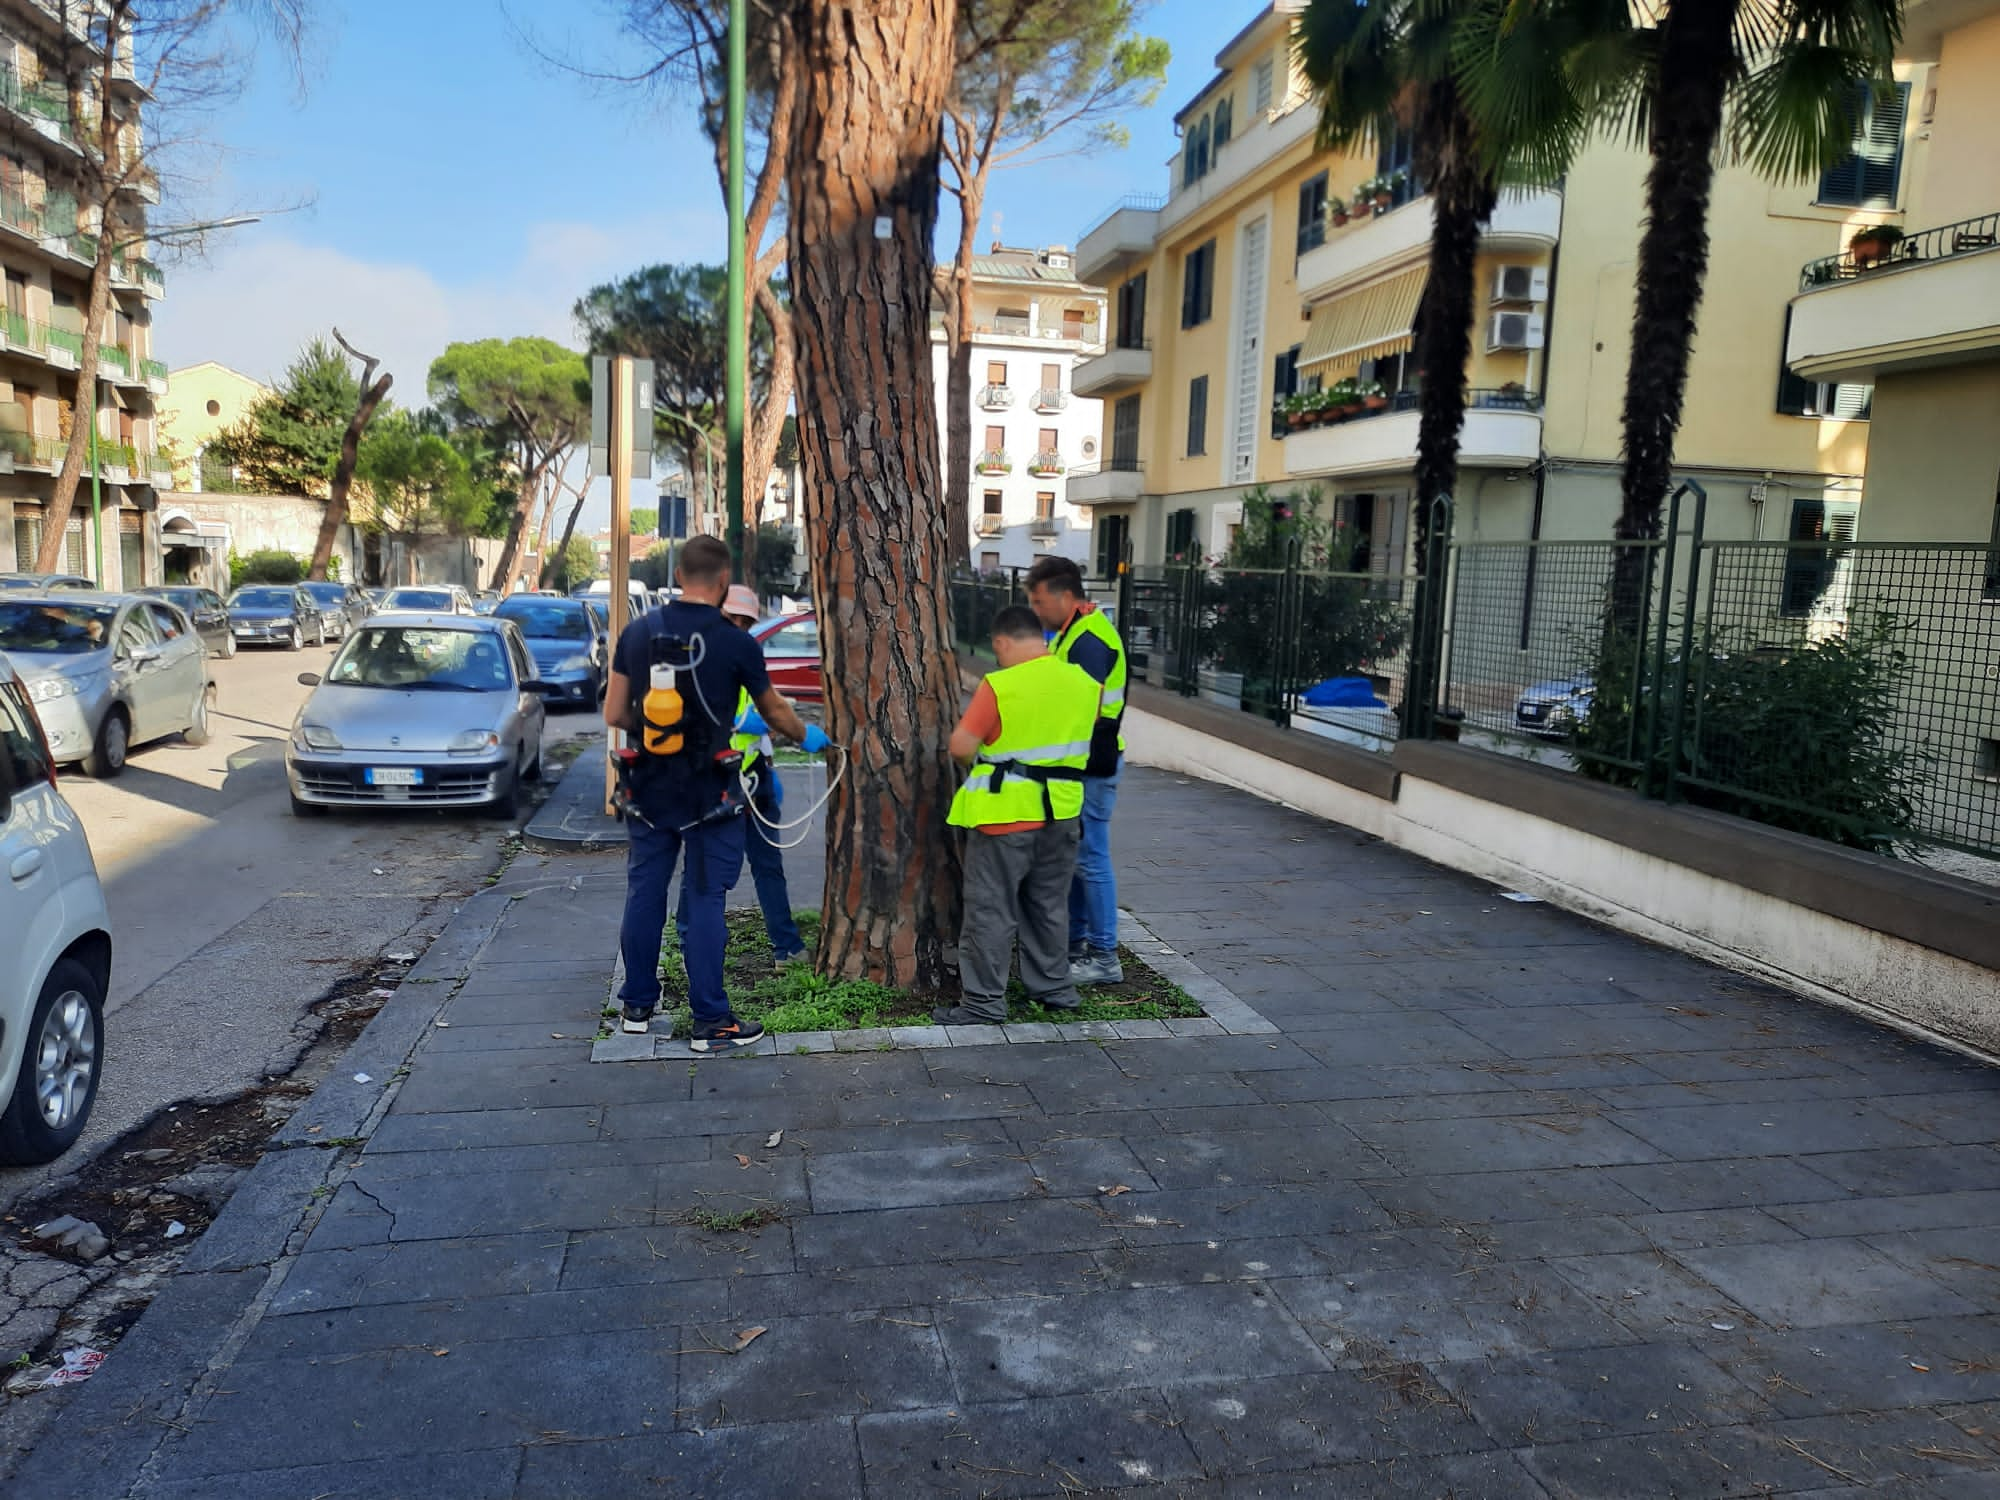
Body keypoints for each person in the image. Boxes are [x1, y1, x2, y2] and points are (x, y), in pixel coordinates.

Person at [605, 538, 829, 1051]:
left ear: (679, 574)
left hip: (649, 787)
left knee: (645, 892)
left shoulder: (638, 633)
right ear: (724, 581)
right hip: (712, 793)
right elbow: (774, 712)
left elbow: (615, 714)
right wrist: (806, 736)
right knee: (706, 898)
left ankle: (637, 1007)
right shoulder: (736, 643)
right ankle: (711, 1022)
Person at [931, 605, 1102, 1027]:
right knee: (1048, 904)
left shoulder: (1000, 686)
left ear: (1003, 642)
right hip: (1062, 813)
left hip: (1006, 815)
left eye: (997, 650)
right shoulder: (1085, 683)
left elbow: (962, 746)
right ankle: (1054, 988)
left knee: (991, 910)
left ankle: (984, 1005)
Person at [673, 584, 805, 963]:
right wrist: (750, 722)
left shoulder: (742, 653)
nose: (739, 627)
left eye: (746, 622)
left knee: (767, 864)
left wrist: (766, 759)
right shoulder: (691, 656)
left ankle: (787, 946)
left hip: (752, 776)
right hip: (711, 781)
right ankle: (689, 944)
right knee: (703, 869)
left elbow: (759, 705)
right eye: (734, 619)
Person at [1025, 555, 1127, 985]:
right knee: (1079, 860)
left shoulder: (1088, 640)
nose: (1035, 610)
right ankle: (1076, 946)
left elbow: (1077, 708)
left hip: (1093, 764)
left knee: (1091, 859)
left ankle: (1104, 956)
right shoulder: (1072, 631)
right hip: (1086, 763)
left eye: (1038, 601)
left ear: (1065, 596)